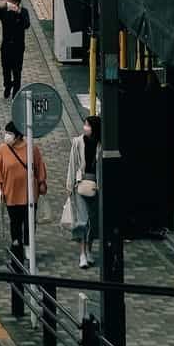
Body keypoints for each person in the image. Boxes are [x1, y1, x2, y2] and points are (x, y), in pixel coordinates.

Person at [0, 122, 47, 261]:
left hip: (29, 194)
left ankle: (28, 246)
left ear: (18, 136)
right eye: (6, 133)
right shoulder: (1, 150)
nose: (7, 136)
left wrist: (42, 183)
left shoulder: (31, 149)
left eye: (10, 134)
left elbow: (39, 167)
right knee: (14, 222)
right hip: (11, 193)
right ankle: (16, 242)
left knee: (29, 222)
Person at [63, 114, 101, 270]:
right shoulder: (78, 142)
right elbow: (72, 164)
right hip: (80, 184)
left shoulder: (101, 145)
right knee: (82, 221)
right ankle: (82, 254)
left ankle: (90, 250)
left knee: (93, 220)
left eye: (88, 125)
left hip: (96, 186)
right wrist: (69, 185)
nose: (85, 127)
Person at [0, 0, 29, 101]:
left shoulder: (23, 12)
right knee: (5, 69)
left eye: (10, 2)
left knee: (17, 70)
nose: (8, 4)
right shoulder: (4, 11)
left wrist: (19, 13)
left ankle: (16, 91)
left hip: (18, 47)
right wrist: (0, 7)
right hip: (6, 45)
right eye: (7, 2)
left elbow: (26, 25)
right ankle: (7, 85)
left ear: (16, 3)